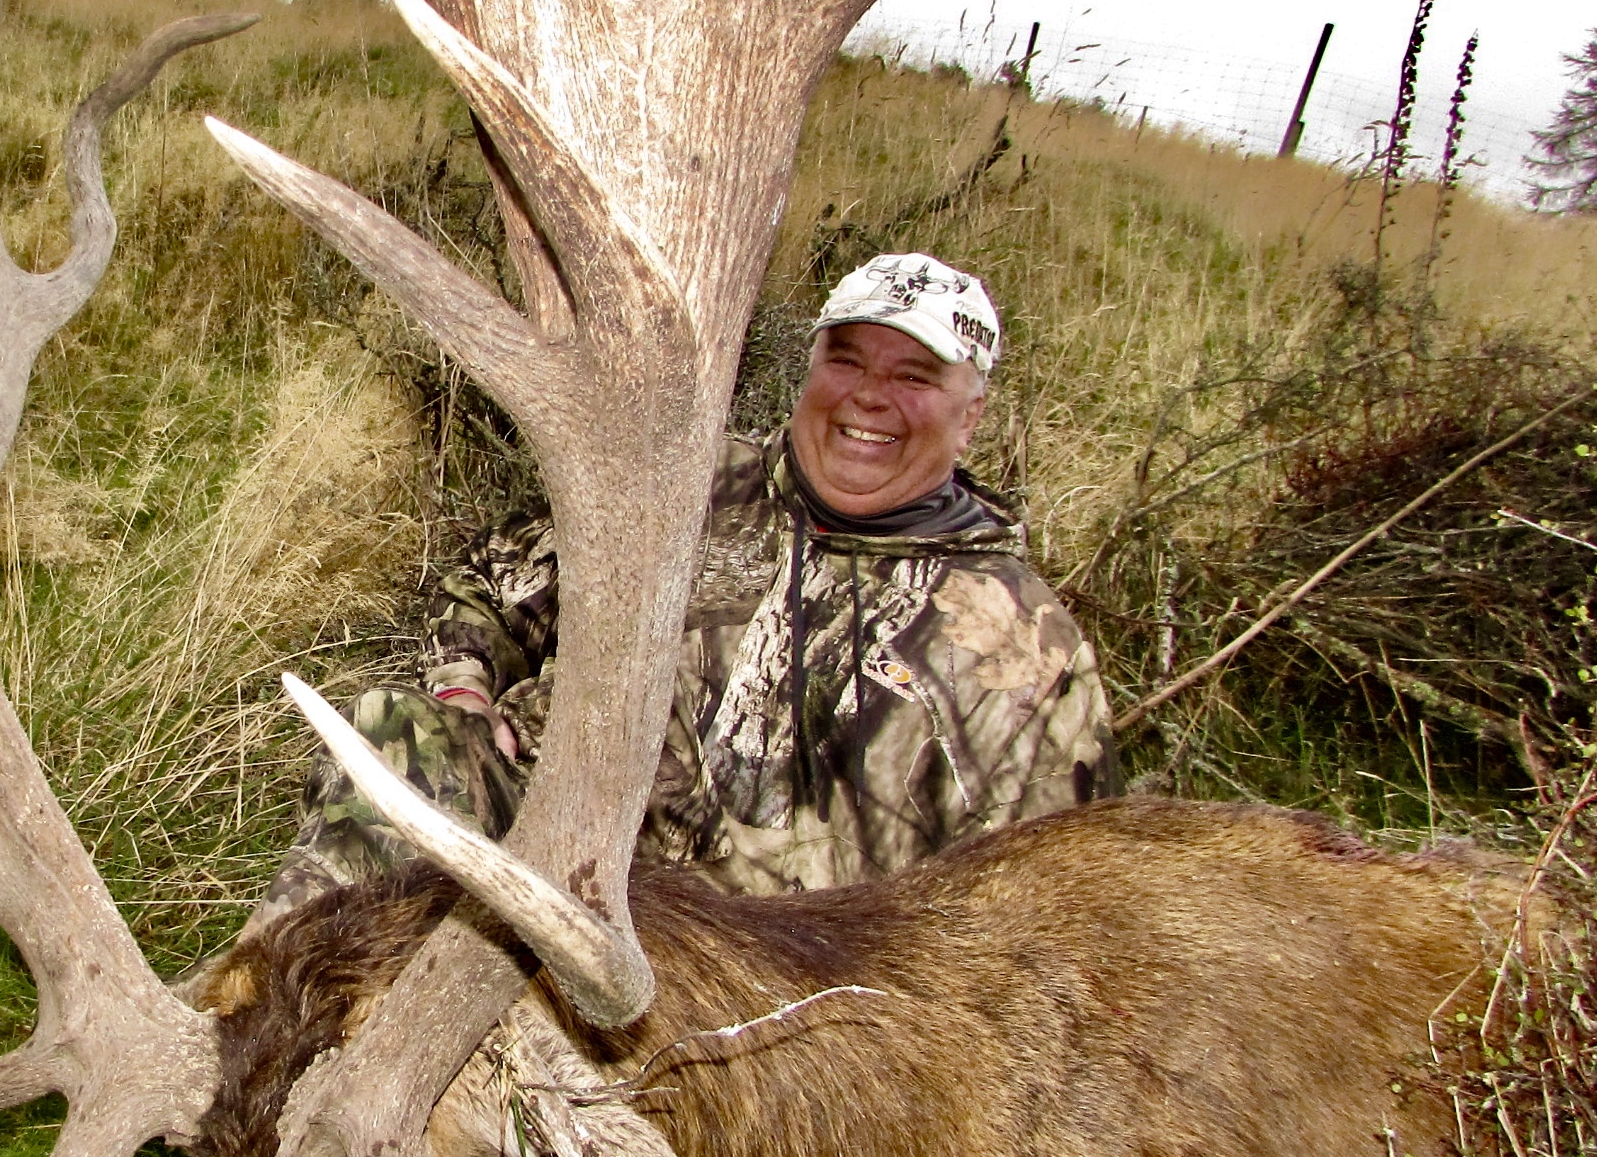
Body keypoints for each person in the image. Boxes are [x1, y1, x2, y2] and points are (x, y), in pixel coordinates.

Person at [249, 253, 1116, 932]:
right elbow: (489, 587)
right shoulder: (688, 488)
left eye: (915, 377)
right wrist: (464, 692)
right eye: (845, 360)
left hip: (776, 981)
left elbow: (1044, 920)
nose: (868, 396)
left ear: (972, 414)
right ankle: (255, 1037)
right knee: (395, 736)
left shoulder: (1027, 649)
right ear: (809, 367)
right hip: (557, 859)